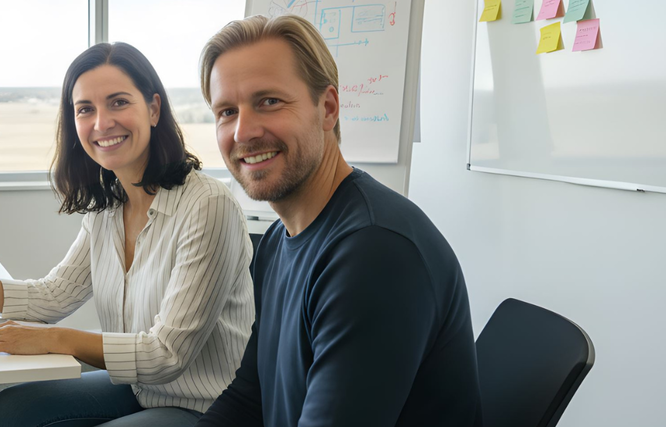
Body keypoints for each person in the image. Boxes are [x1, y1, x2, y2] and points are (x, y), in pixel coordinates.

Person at [0, 42, 254, 427]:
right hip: (142, 389)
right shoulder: (109, 209)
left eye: (118, 102)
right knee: (16, 407)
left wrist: (54, 339)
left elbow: (166, 354)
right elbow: (53, 296)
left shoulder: (207, 205)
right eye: (85, 109)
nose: (101, 123)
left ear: (154, 109)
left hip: (211, 408)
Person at [194, 14, 483, 427]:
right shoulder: (277, 241)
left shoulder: (374, 251)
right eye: (226, 111)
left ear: (327, 108)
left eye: (269, 101)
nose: (243, 132)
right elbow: (249, 398)